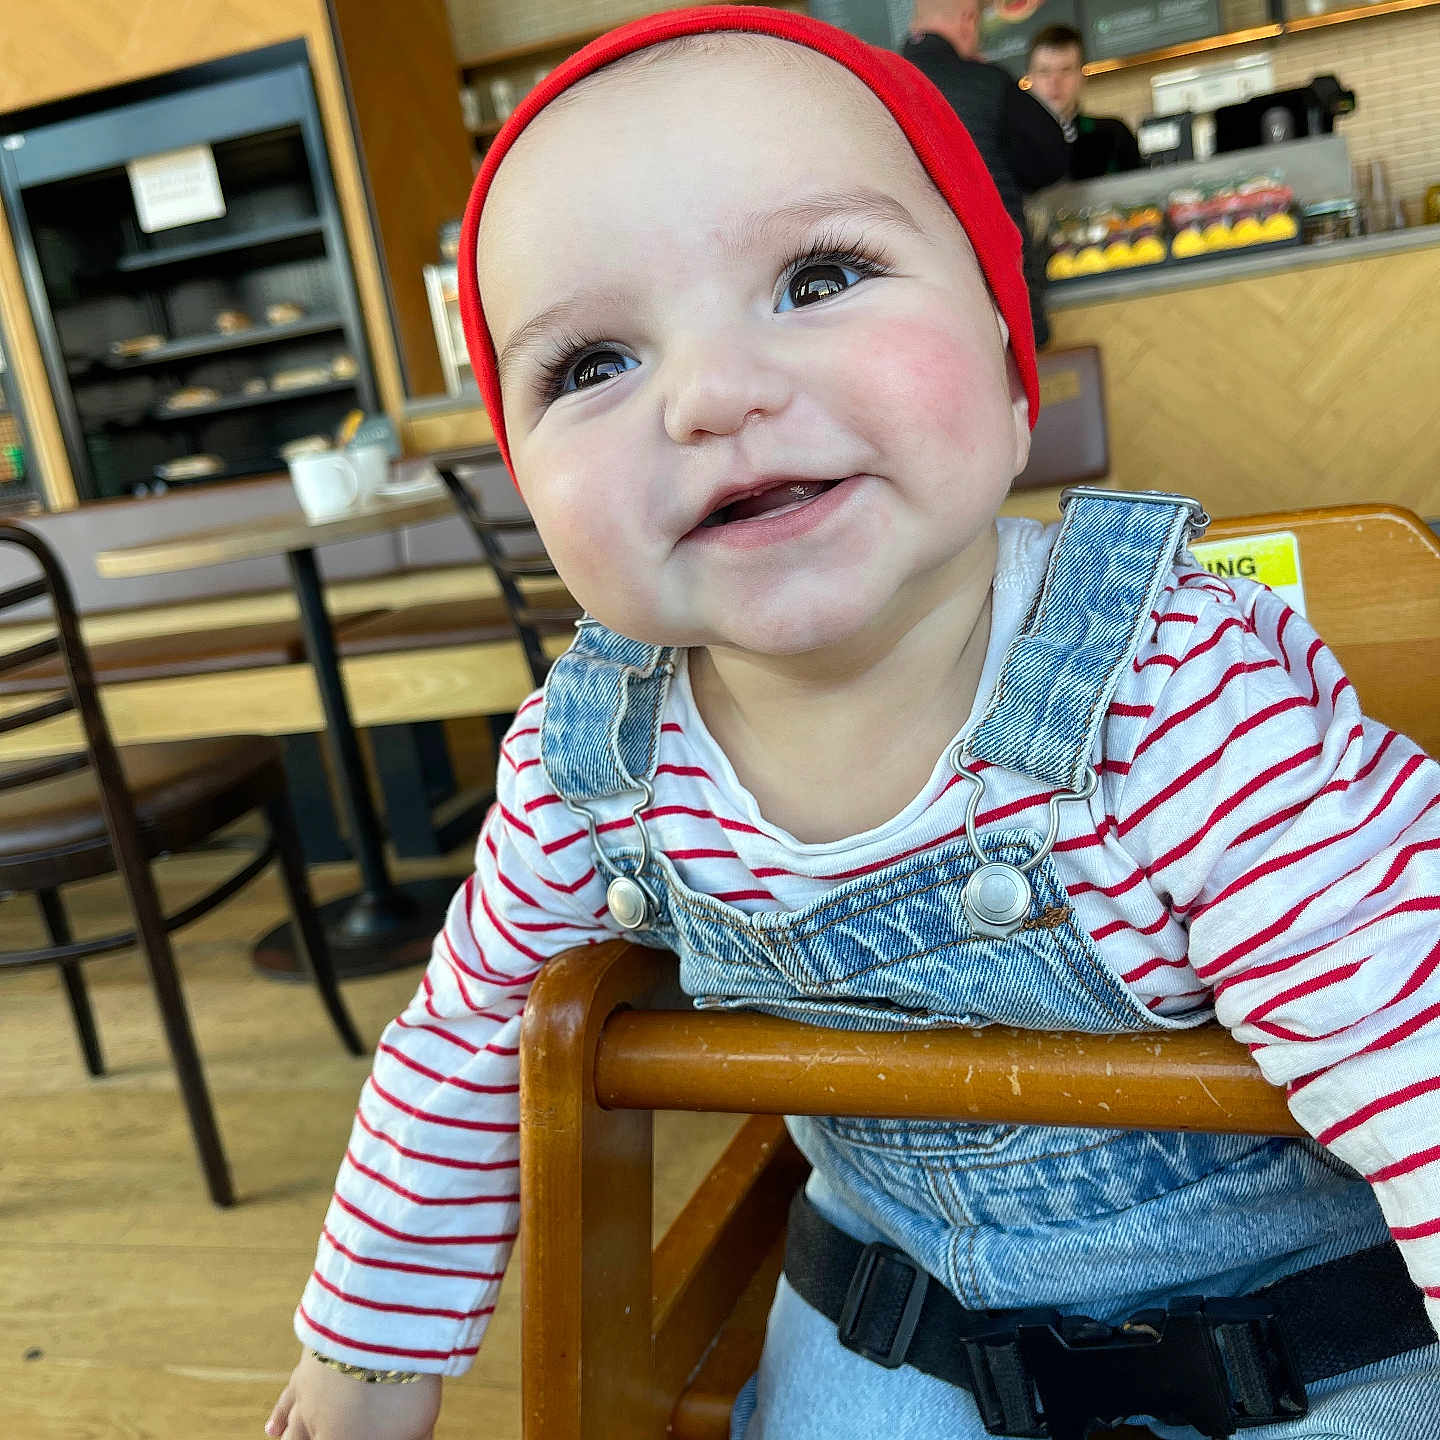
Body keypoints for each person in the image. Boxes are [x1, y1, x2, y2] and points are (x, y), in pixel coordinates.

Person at [264, 8, 1440, 1439]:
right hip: (890, 1330)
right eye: (591, 365)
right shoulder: (593, 765)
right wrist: (361, 1376)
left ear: (1015, 375)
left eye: (820, 275)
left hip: (1308, 1343)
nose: (714, 395)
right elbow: (465, 1049)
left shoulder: (1173, 683)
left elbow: (1410, 1031)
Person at [901, 0, 1067, 348]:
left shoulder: (870, 84)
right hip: (999, 304)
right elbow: (1051, 161)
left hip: (917, 316)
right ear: (968, 20)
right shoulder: (987, 82)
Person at [1026, 23, 1143, 181]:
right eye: (1044, 72)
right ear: (1030, 78)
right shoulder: (1014, 146)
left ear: (1082, 76)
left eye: (1065, 70)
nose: (1054, 81)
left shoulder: (1114, 134)